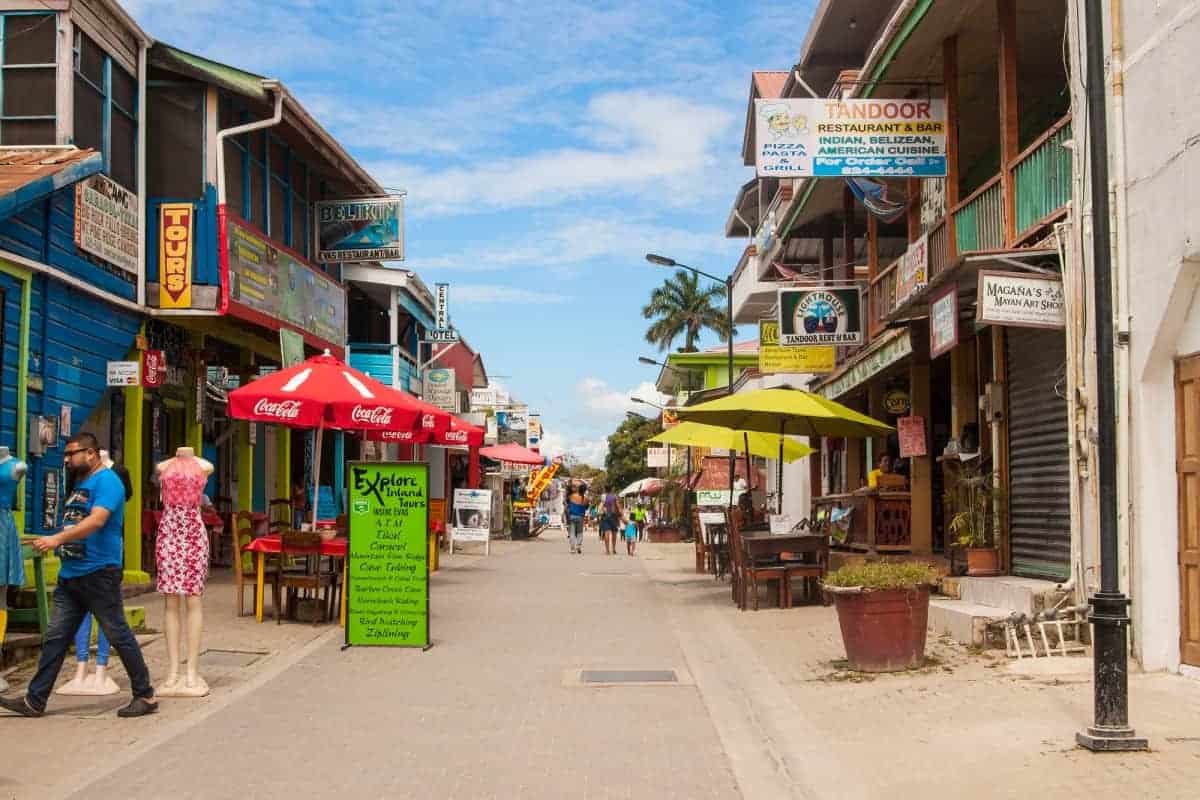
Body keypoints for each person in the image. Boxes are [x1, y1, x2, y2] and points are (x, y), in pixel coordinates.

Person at [1, 433, 156, 718]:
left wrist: (57, 540)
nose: (66, 459)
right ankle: (35, 700)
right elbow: (74, 523)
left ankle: (145, 694)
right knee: (56, 638)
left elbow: (97, 520)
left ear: (91, 453)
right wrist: (49, 538)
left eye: (72, 454)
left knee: (117, 633)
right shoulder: (81, 483)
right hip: (71, 574)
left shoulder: (108, 482)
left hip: (99, 572)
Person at [565, 482, 588, 555]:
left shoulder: (572, 496)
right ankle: (578, 546)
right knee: (579, 533)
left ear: (578, 489)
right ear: (584, 490)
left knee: (572, 533)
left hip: (572, 516)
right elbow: (586, 507)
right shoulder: (586, 499)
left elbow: (567, 502)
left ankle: (572, 549)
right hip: (580, 517)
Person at [600, 488, 620, 555]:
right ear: (611, 490)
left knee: (606, 532)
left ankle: (607, 550)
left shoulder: (603, 496)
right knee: (614, 533)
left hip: (605, 515)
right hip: (613, 516)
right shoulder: (614, 496)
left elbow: (601, 506)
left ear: (605, 490)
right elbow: (618, 506)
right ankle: (613, 549)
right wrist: (620, 514)